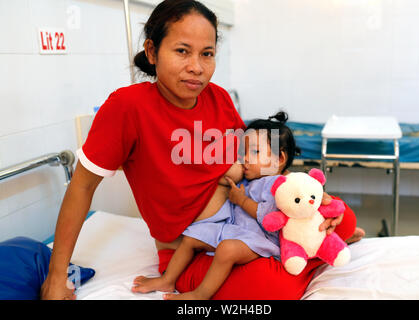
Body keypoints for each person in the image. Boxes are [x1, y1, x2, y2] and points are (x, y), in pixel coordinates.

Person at [40, 0, 362, 300]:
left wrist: (300, 195)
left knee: (342, 216)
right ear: (152, 52)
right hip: (193, 250)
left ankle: (315, 246)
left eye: (207, 54)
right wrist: (56, 277)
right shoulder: (127, 108)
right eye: (182, 51)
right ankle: (316, 254)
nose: (196, 67)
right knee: (272, 287)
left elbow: (257, 162)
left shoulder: (218, 98)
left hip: (252, 224)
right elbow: (81, 187)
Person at [132, 111, 301, 299]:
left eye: (254, 152)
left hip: (260, 240)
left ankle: (200, 295)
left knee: (227, 249)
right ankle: (168, 279)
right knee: (191, 239)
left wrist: (242, 201)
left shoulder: (278, 185)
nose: (245, 158)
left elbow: (268, 217)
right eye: (243, 153)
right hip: (233, 230)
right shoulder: (250, 177)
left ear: (279, 159)